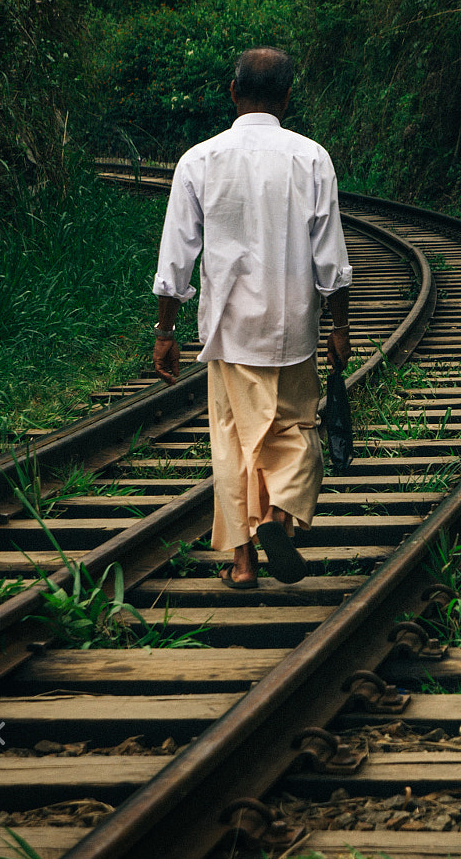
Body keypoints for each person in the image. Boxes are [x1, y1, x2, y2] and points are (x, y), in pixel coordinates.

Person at [150, 46, 353, 589]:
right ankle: (280, 517)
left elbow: (176, 257)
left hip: (230, 331)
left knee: (234, 440)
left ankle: (242, 565)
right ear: (288, 97)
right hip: (293, 331)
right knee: (295, 430)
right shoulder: (312, 158)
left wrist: (166, 330)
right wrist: (339, 326)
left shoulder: (199, 160)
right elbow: (330, 259)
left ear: (233, 92)